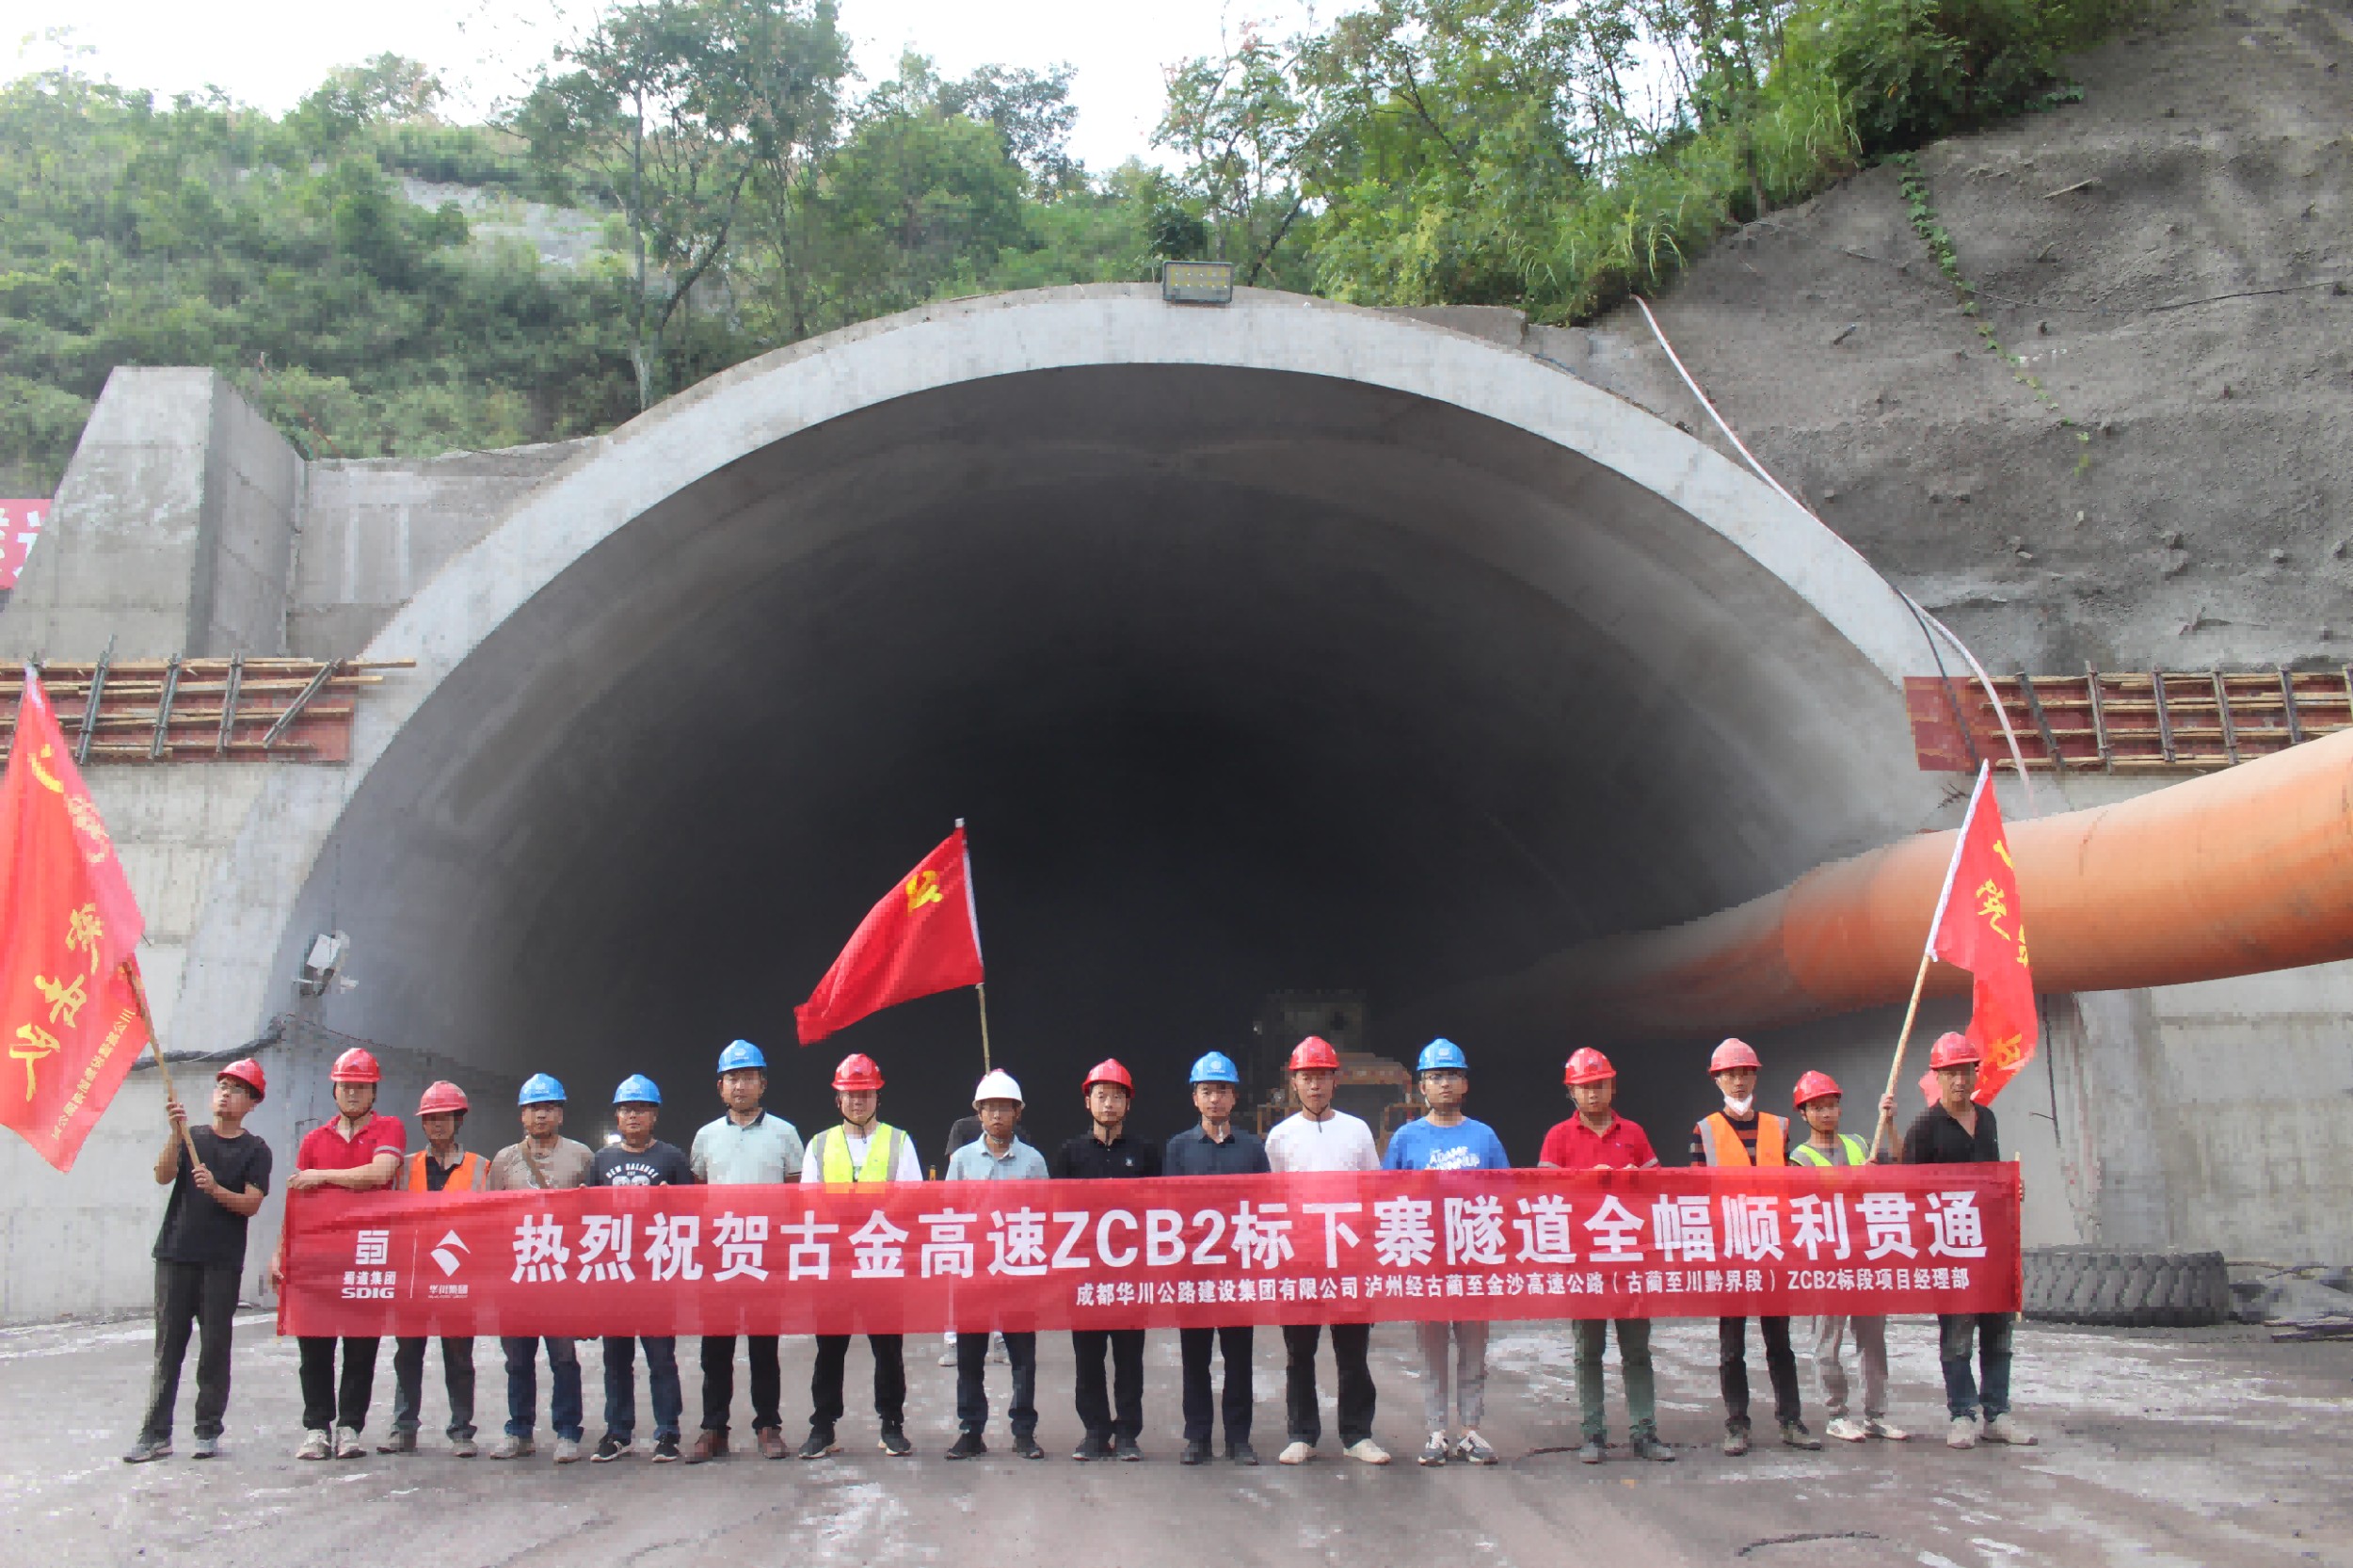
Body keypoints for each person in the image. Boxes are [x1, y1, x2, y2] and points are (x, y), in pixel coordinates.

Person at [123, 1058, 273, 1464]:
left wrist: (216, 1189)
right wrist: (175, 1134)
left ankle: (207, 1429)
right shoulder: (192, 1138)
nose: (226, 1094)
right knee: (168, 1347)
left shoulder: (256, 1150)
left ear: (253, 1102)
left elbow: (251, 1204)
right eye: (222, 1086)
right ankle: (155, 1434)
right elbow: (162, 1174)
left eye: (237, 1090)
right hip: (175, 1254)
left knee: (214, 1348)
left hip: (220, 1261)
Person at [1540, 1048, 1674, 1465]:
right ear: (1571, 1092)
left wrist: (1637, 1182)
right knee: (1588, 1352)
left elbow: (1660, 1189)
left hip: (1631, 1260)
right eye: (1584, 1087)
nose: (1593, 1093)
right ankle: (1592, 1434)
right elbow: (1544, 1198)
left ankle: (1644, 1432)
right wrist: (1582, 1183)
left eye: (1599, 1085)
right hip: (1585, 1263)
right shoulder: (1558, 1137)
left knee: (1637, 1351)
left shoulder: (1633, 1133)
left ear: (1612, 1086)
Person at [1903, 1032, 2037, 1452]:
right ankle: (1962, 1414)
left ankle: (1997, 1414)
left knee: (1999, 1333)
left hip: (1992, 1244)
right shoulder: (1924, 1128)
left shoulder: (1987, 1119)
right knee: (1958, 1336)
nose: (1960, 1080)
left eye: (1966, 1071)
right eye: (1951, 1073)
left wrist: (2010, 1188)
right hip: (1951, 1247)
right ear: (1937, 1077)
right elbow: (1909, 1191)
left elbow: (1991, 1174)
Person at [271, 1047, 404, 1460]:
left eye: (360, 1087)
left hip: (367, 1255)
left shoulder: (389, 1129)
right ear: (334, 1090)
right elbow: (297, 1201)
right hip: (318, 1257)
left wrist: (322, 1175)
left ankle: (349, 1427)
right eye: (345, 1086)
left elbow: (380, 1173)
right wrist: (280, 1251)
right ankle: (317, 1428)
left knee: (361, 1346)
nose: (352, 1094)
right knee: (314, 1345)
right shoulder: (314, 1140)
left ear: (374, 1092)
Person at [1384, 1038, 1511, 1466]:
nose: (1444, 1084)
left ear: (1465, 1084)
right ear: (1422, 1086)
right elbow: (1385, 1198)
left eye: (1452, 1076)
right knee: (1433, 1352)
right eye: (1435, 1077)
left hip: (1473, 1261)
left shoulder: (1484, 1137)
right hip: (1428, 1263)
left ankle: (1471, 1431)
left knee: (1474, 1351)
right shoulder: (1406, 1139)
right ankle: (1437, 1432)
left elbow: (1507, 1195)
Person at [1690, 1037, 1819, 1455]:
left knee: (1780, 1343)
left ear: (1755, 1077)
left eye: (1745, 1073)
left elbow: (1790, 1187)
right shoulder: (1705, 1131)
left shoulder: (1777, 1127)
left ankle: (1791, 1421)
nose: (1738, 1081)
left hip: (1771, 1249)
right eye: (1730, 1074)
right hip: (1729, 1251)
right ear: (1717, 1080)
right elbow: (1695, 1193)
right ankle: (1736, 1425)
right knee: (1732, 1346)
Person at [1264, 1035, 1388, 1466]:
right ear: (1294, 1083)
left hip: (1349, 1260)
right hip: (1300, 1261)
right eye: (1306, 1077)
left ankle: (1357, 1435)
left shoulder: (1357, 1131)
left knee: (1353, 1353)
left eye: (1322, 1077)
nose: (1314, 1085)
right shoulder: (1280, 1137)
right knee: (1299, 1353)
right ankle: (1302, 1434)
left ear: (1336, 1081)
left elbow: (1374, 1192)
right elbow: (1271, 1200)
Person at [799, 1052, 922, 1459]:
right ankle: (823, 1427)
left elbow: (911, 1197)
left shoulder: (899, 1141)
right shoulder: (819, 1144)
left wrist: (871, 1226)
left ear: (877, 1097)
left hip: (882, 1261)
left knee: (888, 1349)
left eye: (865, 1093)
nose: (857, 1101)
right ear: (838, 1099)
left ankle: (892, 1425)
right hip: (835, 1264)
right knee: (829, 1350)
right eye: (850, 1094)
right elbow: (809, 1201)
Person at [685, 1039, 804, 1463]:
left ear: (762, 1084)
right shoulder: (706, 1137)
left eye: (748, 1077)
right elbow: (697, 1194)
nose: (740, 1086)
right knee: (715, 1349)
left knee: (763, 1348)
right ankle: (713, 1428)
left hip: (765, 1256)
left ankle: (768, 1426)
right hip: (720, 1256)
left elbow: (796, 1194)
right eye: (732, 1078)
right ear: (720, 1086)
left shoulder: (785, 1133)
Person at [1788, 1070, 1908, 1444]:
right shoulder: (1798, 1158)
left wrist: (1889, 1123)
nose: (1826, 1113)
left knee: (1873, 1340)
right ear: (1803, 1114)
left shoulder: (1860, 1144)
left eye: (1831, 1105)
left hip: (1867, 1258)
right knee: (1828, 1342)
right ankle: (1836, 1414)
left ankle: (1876, 1415)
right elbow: (1805, 1205)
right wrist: (1856, 1181)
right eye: (1817, 1107)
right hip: (1829, 1261)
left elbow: (1901, 1162)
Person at [1052, 1059, 1162, 1461]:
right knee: (1088, 1359)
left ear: (1128, 1104)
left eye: (1117, 1096)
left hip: (1131, 1275)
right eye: (1102, 1096)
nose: (1109, 1104)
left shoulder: (1145, 1153)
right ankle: (1095, 1432)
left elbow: (1161, 1210)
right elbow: (1055, 1213)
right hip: (1085, 1276)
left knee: (1129, 1359)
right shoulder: (1071, 1154)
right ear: (1088, 1102)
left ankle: (1128, 1433)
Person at [1162, 1049, 1268, 1466]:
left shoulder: (1252, 1149)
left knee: (1239, 1359)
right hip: (1194, 1272)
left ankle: (1239, 1439)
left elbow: (1267, 1207)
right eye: (1207, 1091)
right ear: (1195, 1097)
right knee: (1196, 1359)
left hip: (1238, 1271)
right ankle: (1198, 1437)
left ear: (1234, 1097)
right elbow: (1168, 1211)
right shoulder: (1179, 1148)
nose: (1215, 1099)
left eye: (1222, 1090)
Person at [483, 1072, 594, 1463]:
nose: (541, 1115)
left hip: (561, 1278)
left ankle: (567, 1431)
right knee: (517, 1360)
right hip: (517, 1277)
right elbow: (489, 1216)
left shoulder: (581, 1157)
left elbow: (597, 1216)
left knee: (564, 1358)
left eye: (548, 1108)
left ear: (560, 1114)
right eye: (533, 1108)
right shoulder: (505, 1160)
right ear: (522, 1116)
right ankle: (519, 1431)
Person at [941, 1068, 1048, 1461]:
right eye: (990, 1108)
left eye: (1005, 1108)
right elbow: (948, 1213)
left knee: (1023, 1361)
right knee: (969, 1360)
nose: (998, 1115)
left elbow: (1045, 1217)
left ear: (1018, 1112)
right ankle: (971, 1431)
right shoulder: (963, 1160)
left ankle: (1024, 1432)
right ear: (979, 1113)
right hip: (974, 1275)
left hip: (1018, 1275)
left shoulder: (1033, 1162)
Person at [590, 1074, 696, 1464]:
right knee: (616, 1359)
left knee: (661, 1359)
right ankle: (618, 1432)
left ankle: (667, 1432)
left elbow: (692, 1215)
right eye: (626, 1109)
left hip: (656, 1277)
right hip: (615, 1276)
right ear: (617, 1116)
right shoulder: (602, 1161)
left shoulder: (672, 1159)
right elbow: (586, 1216)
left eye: (641, 1109)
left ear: (655, 1115)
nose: (633, 1116)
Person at [382, 1080, 484, 1457]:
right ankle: (403, 1427)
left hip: (459, 1277)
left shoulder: (480, 1168)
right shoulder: (404, 1167)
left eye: (444, 1117)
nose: (436, 1124)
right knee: (407, 1354)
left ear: (459, 1120)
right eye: (429, 1118)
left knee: (459, 1357)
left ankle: (462, 1431)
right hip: (414, 1277)